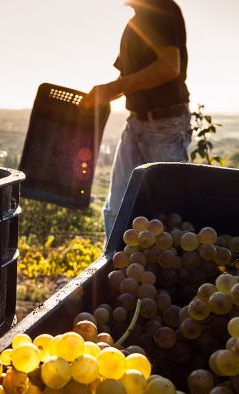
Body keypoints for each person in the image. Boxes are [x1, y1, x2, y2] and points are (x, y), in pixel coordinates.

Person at [82, 0, 191, 240]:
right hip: (136, 124)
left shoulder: (161, 9)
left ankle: (168, 275)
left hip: (166, 125)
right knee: (117, 208)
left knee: (170, 216)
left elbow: (169, 67)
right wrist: (107, 92)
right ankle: (115, 270)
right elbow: (127, 77)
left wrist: (114, 87)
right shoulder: (134, 23)